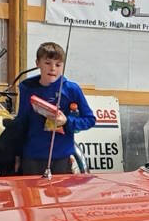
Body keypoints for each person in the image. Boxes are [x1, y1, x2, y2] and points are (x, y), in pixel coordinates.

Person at [14, 42, 95, 176]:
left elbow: (90, 119)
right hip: (32, 156)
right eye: (47, 63)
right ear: (37, 63)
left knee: (59, 196)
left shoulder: (71, 89)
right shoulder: (27, 87)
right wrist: (16, 154)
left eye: (58, 65)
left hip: (61, 156)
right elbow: (21, 122)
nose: (53, 68)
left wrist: (67, 122)